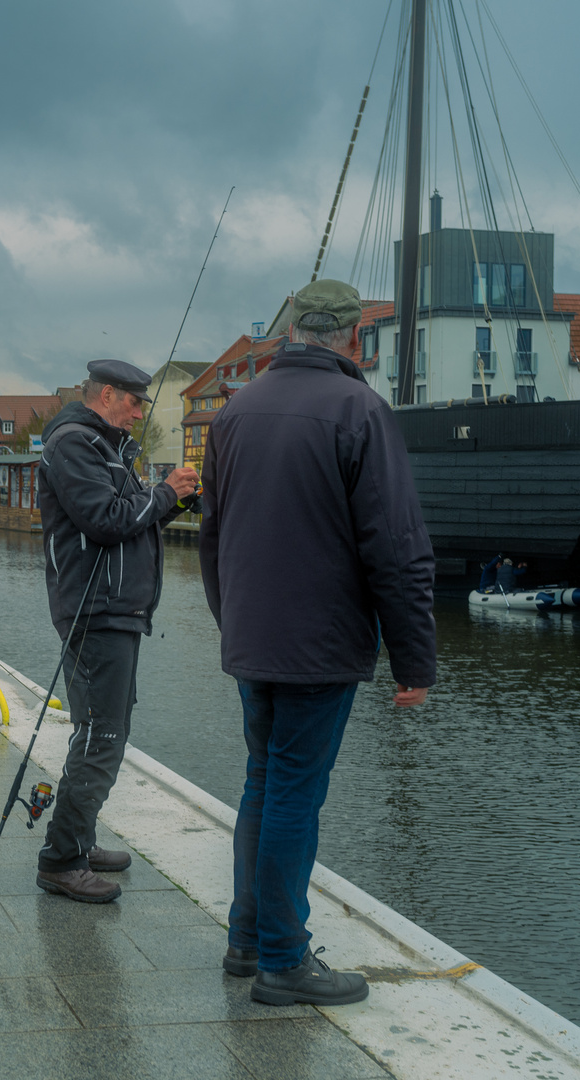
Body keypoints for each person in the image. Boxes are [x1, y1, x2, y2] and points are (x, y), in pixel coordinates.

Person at [200, 278, 437, 1006]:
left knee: (262, 783)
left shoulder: (234, 410)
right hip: (318, 642)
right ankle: (284, 959)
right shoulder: (358, 408)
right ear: (354, 339)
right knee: (296, 793)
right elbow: (394, 547)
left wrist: (231, 620)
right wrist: (414, 659)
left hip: (252, 636)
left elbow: (211, 536)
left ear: (293, 330)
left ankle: (246, 938)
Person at [35, 358, 199, 903]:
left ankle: (76, 839)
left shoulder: (107, 446)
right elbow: (104, 519)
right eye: (135, 403)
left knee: (102, 728)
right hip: (96, 610)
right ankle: (62, 859)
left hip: (115, 610)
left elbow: (131, 520)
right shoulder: (74, 444)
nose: (140, 414)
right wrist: (166, 492)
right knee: (102, 735)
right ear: (107, 395)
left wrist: (171, 501)